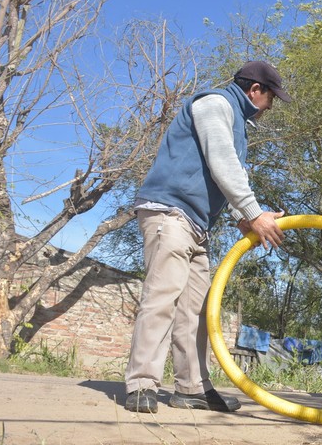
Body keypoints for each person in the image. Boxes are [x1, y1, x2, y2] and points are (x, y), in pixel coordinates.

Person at [124, 61, 291, 413]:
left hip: (196, 225)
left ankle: (191, 388)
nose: (271, 106)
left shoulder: (238, 124)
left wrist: (242, 218)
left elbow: (224, 175)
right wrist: (253, 212)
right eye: (272, 97)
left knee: (197, 310)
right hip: (170, 213)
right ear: (255, 90)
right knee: (162, 298)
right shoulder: (215, 104)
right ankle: (141, 384)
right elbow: (221, 163)